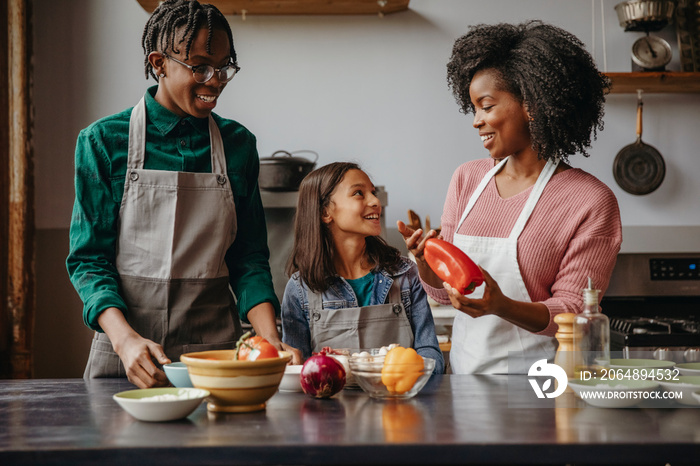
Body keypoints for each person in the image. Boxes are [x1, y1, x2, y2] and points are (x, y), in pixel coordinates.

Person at [66, 0, 300, 389]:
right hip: (129, 351)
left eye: (224, 68)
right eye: (201, 67)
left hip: (217, 353)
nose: (215, 81)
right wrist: (124, 341)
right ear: (159, 63)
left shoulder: (238, 145)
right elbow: (89, 260)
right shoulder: (103, 141)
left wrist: (269, 338)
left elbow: (249, 258)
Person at [398, 21, 622, 374]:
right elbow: (445, 295)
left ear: (531, 105)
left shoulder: (590, 200)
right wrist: (425, 260)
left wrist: (501, 305)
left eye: (486, 106)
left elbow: (574, 314)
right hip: (465, 381)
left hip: (542, 382)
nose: (476, 121)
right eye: (473, 109)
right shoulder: (467, 179)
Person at [281, 162, 445, 374]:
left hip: (398, 404)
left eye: (373, 193)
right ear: (325, 212)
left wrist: (407, 372)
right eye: (359, 193)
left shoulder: (406, 275)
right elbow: (298, 373)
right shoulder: (300, 289)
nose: (375, 201)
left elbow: (432, 358)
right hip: (330, 407)